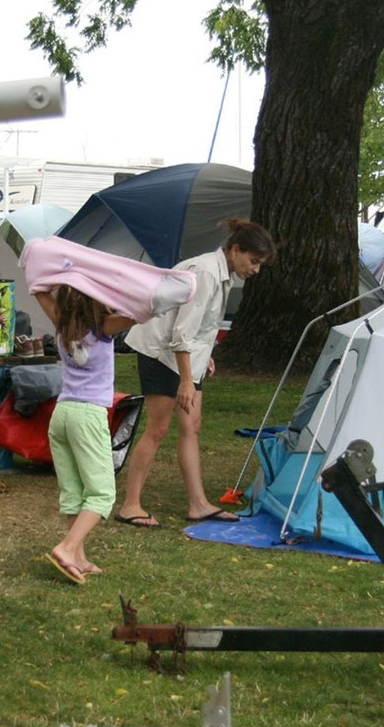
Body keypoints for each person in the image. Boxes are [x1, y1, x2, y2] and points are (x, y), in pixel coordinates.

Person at [115, 218, 277, 528]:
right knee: (158, 428)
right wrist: (187, 381)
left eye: (260, 265)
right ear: (235, 250)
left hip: (185, 355)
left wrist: (207, 356)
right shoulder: (205, 272)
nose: (255, 270)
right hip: (162, 354)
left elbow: (202, 325)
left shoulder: (222, 272)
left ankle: (198, 503)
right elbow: (180, 331)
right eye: (253, 261)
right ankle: (130, 505)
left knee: (192, 426)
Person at [33, 286, 136, 584]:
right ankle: (66, 548)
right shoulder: (104, 327)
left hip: (62, 413)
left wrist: (58, 273)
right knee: (102, 493)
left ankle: (77, 555)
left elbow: (39, 290)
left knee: (74, 489)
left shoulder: (60, 322)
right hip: (88, 415)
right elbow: (137, 313)